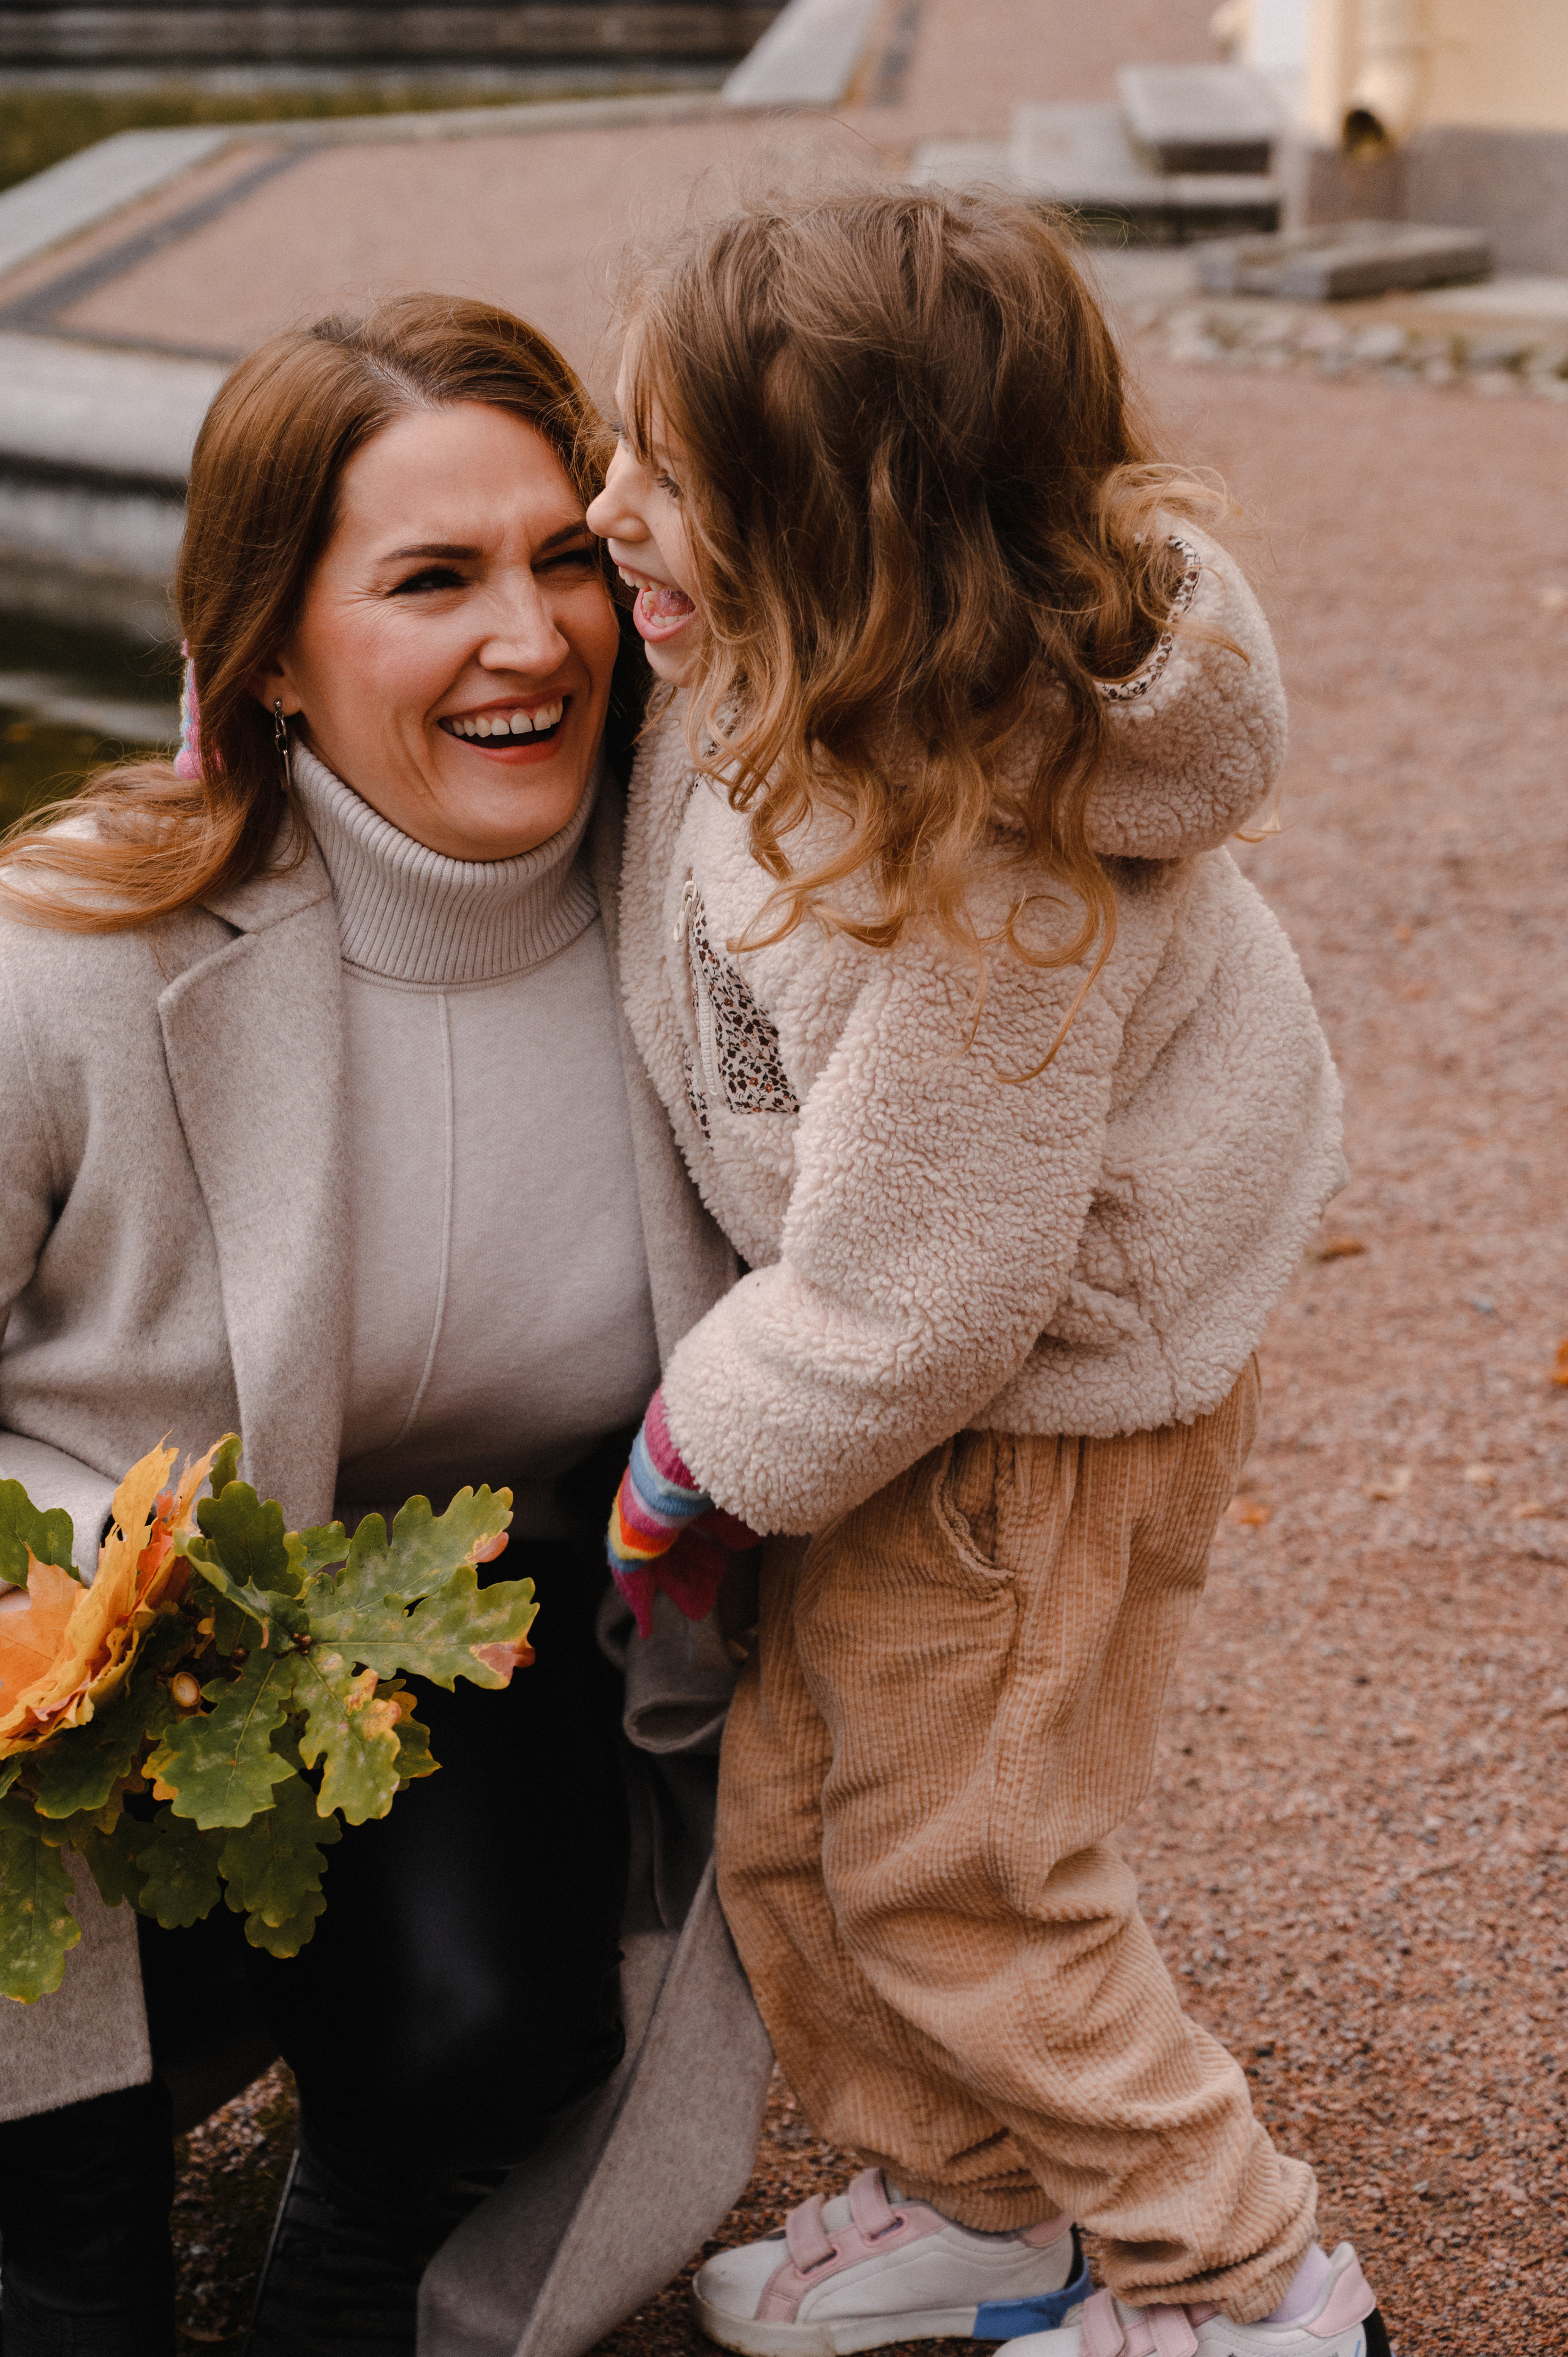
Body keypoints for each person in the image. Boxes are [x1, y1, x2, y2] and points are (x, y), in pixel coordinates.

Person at [584, 186, 1392, 2357]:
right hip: (920, 1381)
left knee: (971, 1878)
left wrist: (692, 1459)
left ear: (846, 532)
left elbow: (932, 1284)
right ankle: (986, 2202)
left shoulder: (991, 870)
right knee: (798, 1826)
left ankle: (1245, 2284)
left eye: (665, 478)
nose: (604, 513)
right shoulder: (797, 664)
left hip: (1021, 1414)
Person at [0, 293, 769, 2357]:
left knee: (488, 2041)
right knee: (56, 2263)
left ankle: (344, 2274)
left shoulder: (716, 918)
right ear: (265, 649)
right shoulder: (74, 952)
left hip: (463, 1644)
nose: (529, 639)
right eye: (432, 581)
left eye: (564, 561)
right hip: (47, 1688)